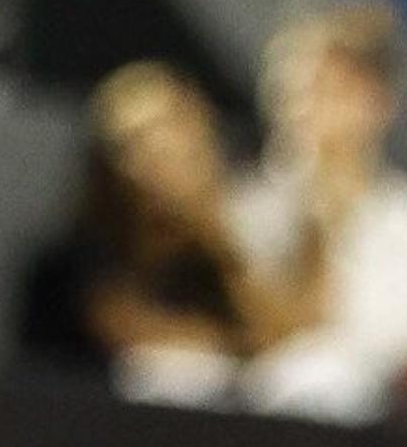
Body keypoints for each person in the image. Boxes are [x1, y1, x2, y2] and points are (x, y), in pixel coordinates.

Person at [226, 1, 407, 423]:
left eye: (334, 92)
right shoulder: (249, 209)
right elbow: (263, 333)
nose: (309, 112)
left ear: (378, 104)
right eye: (295, 93)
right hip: (286, 410)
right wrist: (322, 225)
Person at [51, 60, 301, 403]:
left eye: (174, 126)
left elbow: (279, 340)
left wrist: (214, 233)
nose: (163, 148)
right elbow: (130, 332)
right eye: (137, 139)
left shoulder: (234, 230)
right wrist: (234, 348)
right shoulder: (90, 249)